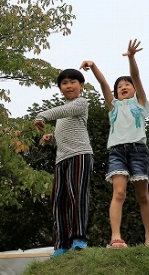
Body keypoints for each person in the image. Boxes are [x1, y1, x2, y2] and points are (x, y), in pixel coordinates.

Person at [80, 39, 149, 249]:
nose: (123, 87)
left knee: (142, 195)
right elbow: (104, 84)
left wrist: (131, 57)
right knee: (119, 193)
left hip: (138, 150)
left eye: (126, 85)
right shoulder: (113, 107)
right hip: (117, 152)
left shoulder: (140, 104)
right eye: (119, 86)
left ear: (133, 89)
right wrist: (93, 66)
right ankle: (116, 237)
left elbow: (137, 77)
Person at [34, 68, 94, 258]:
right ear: (60, 88)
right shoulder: (62, 114)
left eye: (72, 82)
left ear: (81, 86)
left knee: (77, 196)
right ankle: (61, 244)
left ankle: (79, 239)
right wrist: (50, 139)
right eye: (64, 83)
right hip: (61, 159)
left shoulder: (81, 103)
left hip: (80, 155)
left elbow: (63, 110)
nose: (68, 86)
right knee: (59, 201)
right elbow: (62, 136)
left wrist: (42, 115)